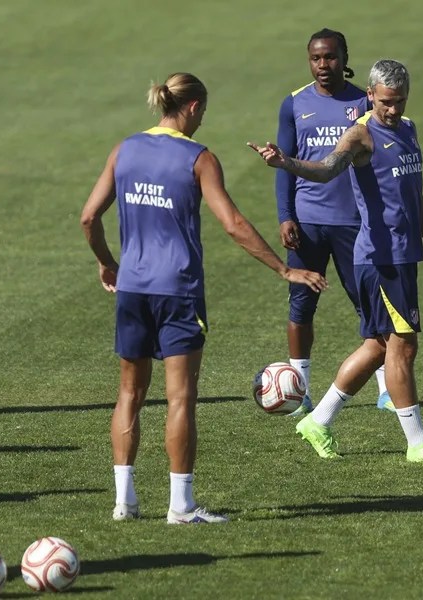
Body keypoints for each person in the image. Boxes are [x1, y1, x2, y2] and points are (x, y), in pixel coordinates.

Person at [80, 73, 328, 524]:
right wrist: (285, 268)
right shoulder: (199, 158)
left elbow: (88, 216)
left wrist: (106, 261)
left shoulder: (125, 149)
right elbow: (232, 224)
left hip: (132, 289)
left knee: (129, 395)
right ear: (193, 107)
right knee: (180, 400)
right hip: (178, 292)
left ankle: (124, 502)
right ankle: (181, 506)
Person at [249, 59, 423, 464]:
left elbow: (415, 195)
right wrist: (285, 163)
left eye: (399, 101)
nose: (393, 110)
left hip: (403, 255)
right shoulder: (361, 136)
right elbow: (327, 169)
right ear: (370, 95)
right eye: (386, 102)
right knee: (404, 345)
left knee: (378, 346)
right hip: (379, 258)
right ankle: (417, 443)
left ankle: (318, 421)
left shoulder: (409, 130)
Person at [275, 28, 393, 416]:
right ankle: (299, 389)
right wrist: (285, 215)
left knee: (370, 305)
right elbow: (285, 164)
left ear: (344, 57)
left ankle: (387, 390)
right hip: (308, 222)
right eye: (315, 58)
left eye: (330, 57)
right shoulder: (293, 104)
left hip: (354, 223)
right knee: (301, 304)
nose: (323, 65)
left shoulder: (364, 101)